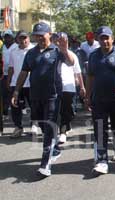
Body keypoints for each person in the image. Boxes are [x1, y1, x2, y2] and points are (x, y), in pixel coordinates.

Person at [11, 22, 74, 177]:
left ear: (49, 34)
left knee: (49, 127)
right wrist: (16, 91)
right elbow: (24, 73)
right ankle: (56, 149)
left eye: (42, 34)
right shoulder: (31, 53)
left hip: (53, 95)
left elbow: (71, 62)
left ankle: (45, 165)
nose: (39, 37)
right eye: (37, 35)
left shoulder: (57, 50)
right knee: (41, 124)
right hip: (35, 96)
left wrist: (65, 49)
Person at [85, 26, 115, 175]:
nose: (104, 40)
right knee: (100, 129)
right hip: (99, 100)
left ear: (112, 39)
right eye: (102, 38)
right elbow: (90, 76)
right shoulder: (93, 56)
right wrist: (87, 96)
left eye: (107, 37)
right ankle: (102, 161)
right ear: (98, 40)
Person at [52, 32, 86, 144]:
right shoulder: (51, 54)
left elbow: (78, 72)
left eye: (63, 40)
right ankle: (62, 131)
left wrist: (82, 87)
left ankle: (65, 127)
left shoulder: (72, 54)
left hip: (68, 87)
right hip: (54, 87)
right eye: (58, 40)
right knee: (56, 111)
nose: (60, 42)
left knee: (68, 111)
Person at [7, 30, 34, 138]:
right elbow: (11, 67)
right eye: (20, 38)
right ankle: (18, 127)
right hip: (16, 84)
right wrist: (8, 81)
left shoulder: (34, 50)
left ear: (28, 38)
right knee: (15, 107)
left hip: (32, 84)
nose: (23, 40)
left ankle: (34, 125)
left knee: (34, 106)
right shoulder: (13, 51)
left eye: (25, 38)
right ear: (17, 39)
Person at [2, 29, 17, 116]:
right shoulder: (2, 47)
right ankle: (5, 109)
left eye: (8, 37)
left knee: (12, 91)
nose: (7, 39)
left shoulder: (16, 46)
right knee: (5, 92)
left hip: (14, 73)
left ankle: (12, 107)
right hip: (4, 74)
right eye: (5, 37)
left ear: (12, 37)